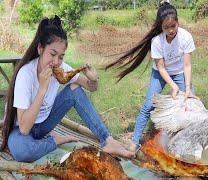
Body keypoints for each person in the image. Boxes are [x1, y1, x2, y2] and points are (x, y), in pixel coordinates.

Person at [0, 15, 135, 162]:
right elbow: (24, 128)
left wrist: (93, 78)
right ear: (40, 48)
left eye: (61, 57)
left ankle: (107, 140)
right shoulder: (25, 74)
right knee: (22, 151)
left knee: (75, 90)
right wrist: (42, 89)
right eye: (52, 54)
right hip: (20, 130)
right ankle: (56, 140)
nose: (56, 62)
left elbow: (90, 87)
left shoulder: (61, 68)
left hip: (44, 124)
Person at [105, 1, 197, 151]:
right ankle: (135, 142)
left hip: (180, 72)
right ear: (161, 26)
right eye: (166, 27)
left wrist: (187, 88)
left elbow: (187, 65)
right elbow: (161, 68)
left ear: (178, 22)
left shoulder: (186, 37)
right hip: (160, 73)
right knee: (148, 106)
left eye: (173, 26)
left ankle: (188, 144)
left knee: (189, 105)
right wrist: (173, 86)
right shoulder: (157, 41)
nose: (171, 30)